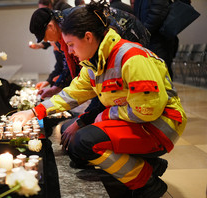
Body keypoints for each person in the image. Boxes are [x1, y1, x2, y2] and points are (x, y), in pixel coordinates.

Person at [12, 1, 186, 197]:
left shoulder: (131, 57)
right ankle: (150, 164)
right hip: (137, 121)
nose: (69, 52)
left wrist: (103, 116)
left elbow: (147, 110)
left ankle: (145, 182)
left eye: (70, 45)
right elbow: (72, 94)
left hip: (158, 126)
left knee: (84, 140)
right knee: (72, 135)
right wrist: (34, 112)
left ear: (87, 37)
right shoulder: (94, 63)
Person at [133, 0, 177, 80]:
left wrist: (143, 32)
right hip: (149, 40)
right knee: (151, 75)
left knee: (160, 75)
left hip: (158, 40)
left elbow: (157, 13)